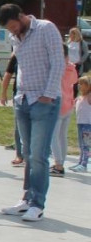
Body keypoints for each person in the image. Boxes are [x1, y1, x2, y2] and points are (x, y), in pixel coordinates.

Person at [0, 3, 66, 222]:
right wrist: (17, 94)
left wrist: (49, 94)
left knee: (38, 155)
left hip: (44, 100)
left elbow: (58, 63)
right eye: (9, 29)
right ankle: (26, 199)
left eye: (14, 26)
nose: (13, 31)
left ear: (21, 16)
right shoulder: (15, 38)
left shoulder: (46, 28)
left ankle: (37, 204)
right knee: (27, 153)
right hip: (23, 99)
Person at [49, 47, 78, 175]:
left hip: (59, 104)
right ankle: (61, 162)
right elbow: (75, 81)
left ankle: (58, 164)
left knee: (53, 136)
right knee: (62, 136)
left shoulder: (58, 69)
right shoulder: (72, 68)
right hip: (69, 103)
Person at [0, 54, 24, 166]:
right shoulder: (17, 55)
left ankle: (29, 155)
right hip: (18, 94)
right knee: (18, 126)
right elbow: (8, 74)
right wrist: (3, 93)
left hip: (36, 95)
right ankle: (19, 155)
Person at [73, 75, 91, 172]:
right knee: (81, 145)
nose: (79, 86)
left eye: (82, 84)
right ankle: (80, 162)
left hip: (87, 125)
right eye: (79, 84)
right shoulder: (80, 97)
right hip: (80, 124)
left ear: (88, 85)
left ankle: (84, 164)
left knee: (86, 145)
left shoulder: (89, 96)